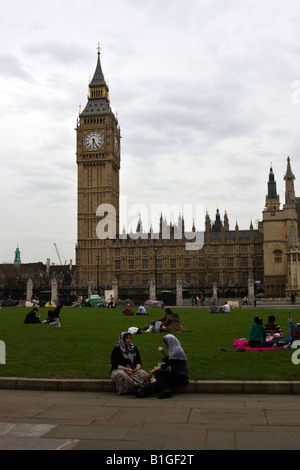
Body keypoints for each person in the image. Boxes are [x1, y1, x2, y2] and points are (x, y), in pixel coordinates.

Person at [135, 334, 189, 399]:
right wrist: (163, 353)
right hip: (174, 374)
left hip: (180, 376)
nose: (164, 344)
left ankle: (142, 391)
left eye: (165, 342)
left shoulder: (177, 352)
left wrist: (153, 371)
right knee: (161, 379)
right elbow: (168, 362)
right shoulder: (174, 350)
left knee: (160, 381)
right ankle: (142, 391)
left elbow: (166, 365)